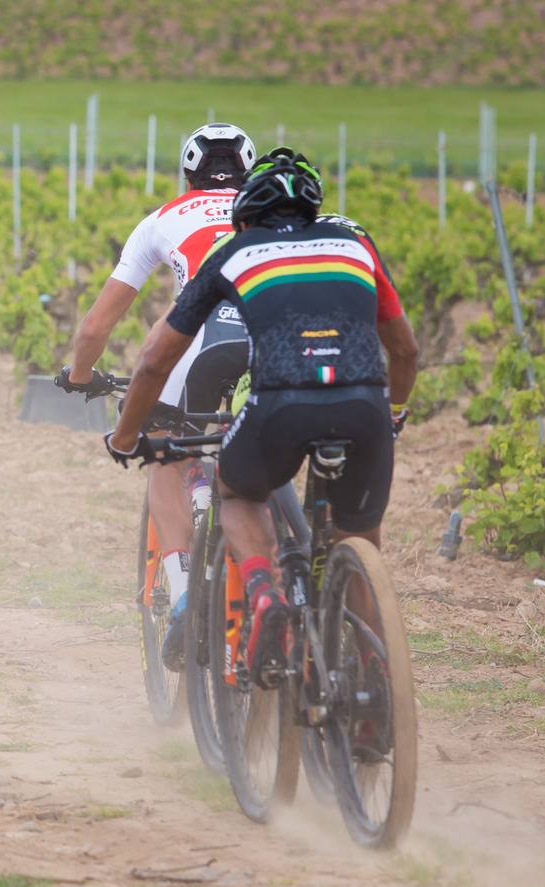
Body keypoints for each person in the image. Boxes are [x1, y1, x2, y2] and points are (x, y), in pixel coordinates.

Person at [104, 148, 419, 687]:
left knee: (237, 491)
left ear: (244, 212)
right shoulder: (354, 244)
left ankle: (266, 592)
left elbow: (156, 357)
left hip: (279, 400)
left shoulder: (237, 248)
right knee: (357, 538)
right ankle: (371, 684)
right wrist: (391, 415)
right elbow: (406, 352)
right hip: (364, 404)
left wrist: (128, 437)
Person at [57, 123, 255, 669]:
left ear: (188, 173)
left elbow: (96, 327)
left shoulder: (165, 219)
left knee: (164, 457)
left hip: (199, 345)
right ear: (249, 171)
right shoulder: (273, 214)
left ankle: (187, 591)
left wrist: (80, 375)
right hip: (274, 339)